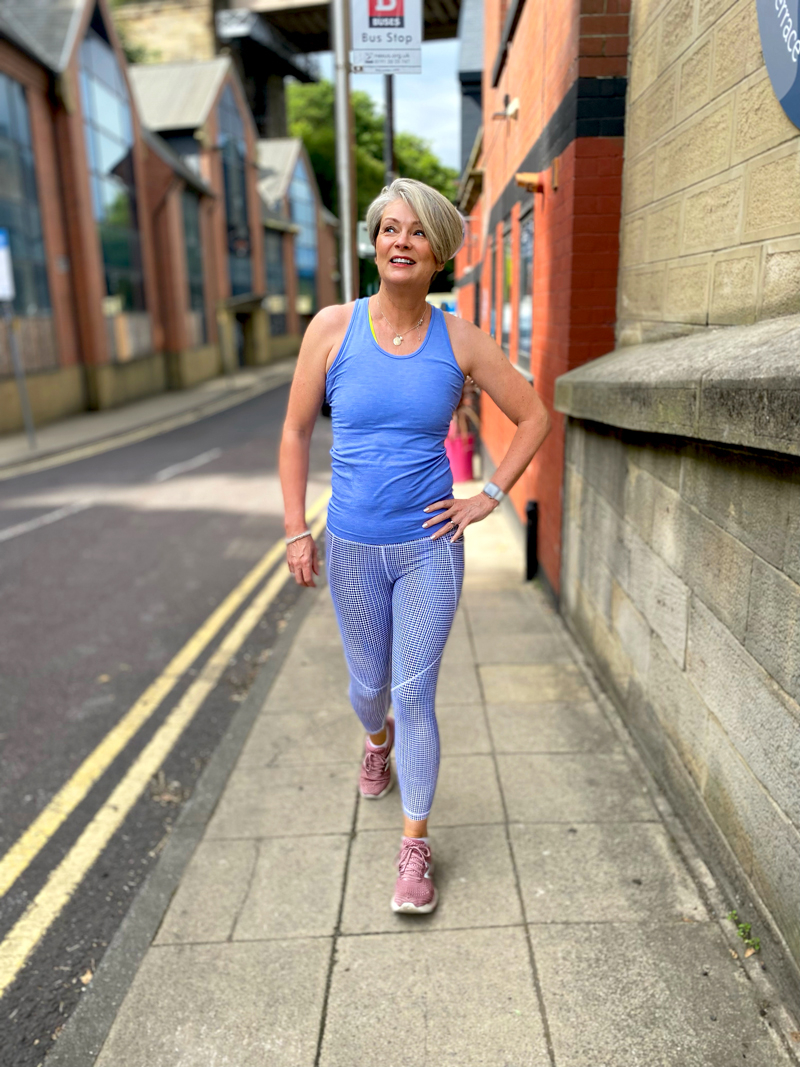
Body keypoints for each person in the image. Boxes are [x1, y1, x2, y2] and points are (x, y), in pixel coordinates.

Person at [279, 178, 550, 914]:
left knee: (414, 690)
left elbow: (534, 416)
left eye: (417, 231)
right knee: (369, 688)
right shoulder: (332, 328)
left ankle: (414, 845)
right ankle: (377, 743)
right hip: (352, 545)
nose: (401, 241)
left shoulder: (460, 339)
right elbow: (296, 432)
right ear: (374, 244)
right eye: (389, 229)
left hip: (430, 545)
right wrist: (297, 529)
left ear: (440, 252)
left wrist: (487, 496)